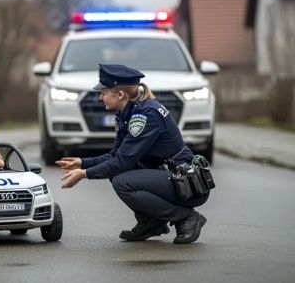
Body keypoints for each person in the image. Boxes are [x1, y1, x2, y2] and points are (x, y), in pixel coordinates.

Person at [56, 64, 209, 244]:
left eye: (103, 92)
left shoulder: (145, 115)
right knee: (115, 174)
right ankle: (151, 222)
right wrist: (82, 163)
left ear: (120, 95)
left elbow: (121, 162)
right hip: (171, 178)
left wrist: (84, 174)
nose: (100, 97)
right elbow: (116, 156)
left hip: (187, 185)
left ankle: (186, 217)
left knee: (122, 181)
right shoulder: (127, 113)